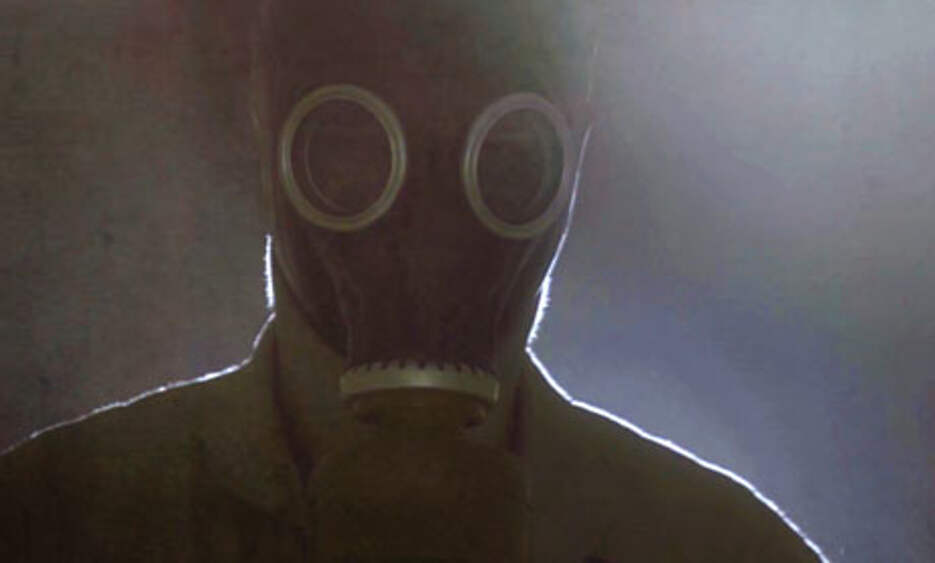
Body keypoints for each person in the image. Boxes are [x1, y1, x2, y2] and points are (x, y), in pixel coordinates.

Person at [1, 1, 826, 561]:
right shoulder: (47, 523)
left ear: (576, 135)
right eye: (357, 137)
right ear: (261, 117)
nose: (429, 226)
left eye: (499, 149)